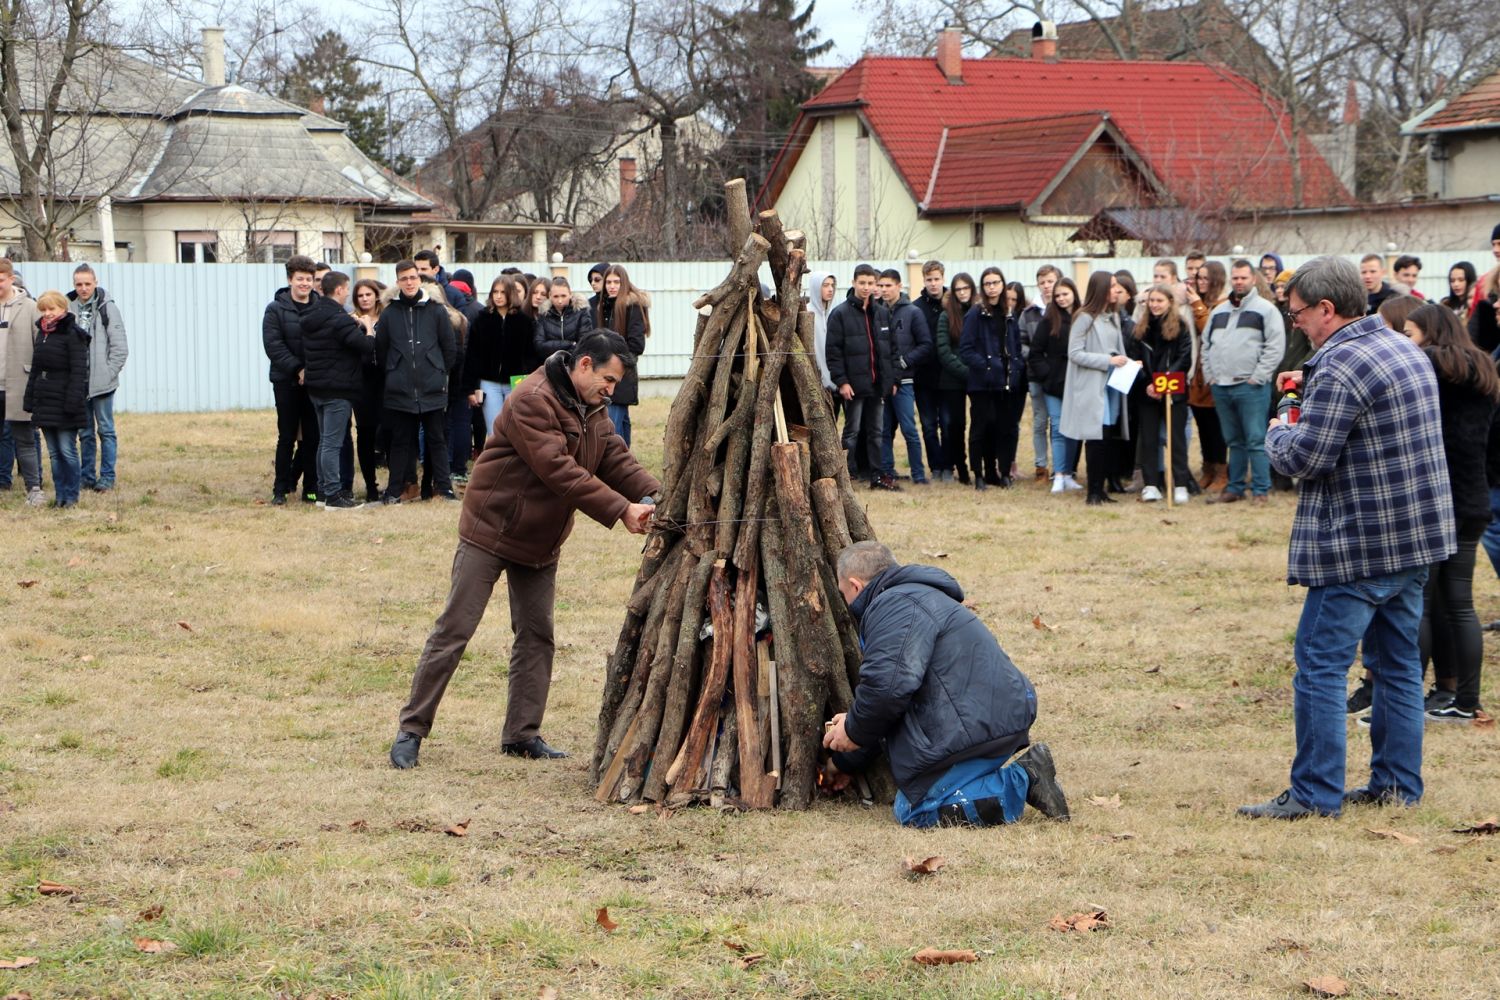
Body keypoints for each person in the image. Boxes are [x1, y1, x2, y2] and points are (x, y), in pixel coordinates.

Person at [1239, 256, 1454, 820]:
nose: (1295, 324)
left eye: (1298, 314)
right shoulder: (1404, 348)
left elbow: (1305, 458)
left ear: (1327, 309)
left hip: (1359, 545)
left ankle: (1314, 794)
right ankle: (1396, 785)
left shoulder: (1340, 366)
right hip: (1414, 539)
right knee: (1397, 666)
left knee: (1320, 666)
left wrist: (1280, 427)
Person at [389, 331, 661, 768]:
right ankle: (411, 730)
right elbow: (559, 470)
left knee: (537, 636)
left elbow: (614, 457)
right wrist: (620, 510)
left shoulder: (592, 405)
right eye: (608, 380)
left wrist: (657, 495)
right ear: (585, 364)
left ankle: (521, 734)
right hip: (492, 529)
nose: (611, 390)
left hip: (541, 538)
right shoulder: (533, 398)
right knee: (455, 630)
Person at [820, 541, 1069, 827]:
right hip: (988, 717)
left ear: (855, 585)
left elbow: (887, 691)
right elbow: (892, 700)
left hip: (976, 726)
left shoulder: (894, 606)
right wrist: (845, 758)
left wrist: (853, 730)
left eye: (843, 594)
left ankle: (1024, 779)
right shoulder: (915, 597)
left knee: (913, 810)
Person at [1405, 304, 1497, 724]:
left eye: (1410, 332)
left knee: (1420, 605)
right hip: (1474, 496)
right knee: (1461, 605)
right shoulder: (1483, 367)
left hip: (1435, 498)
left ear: (1429, 332)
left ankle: (1404, 700)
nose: (1406, 340)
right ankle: (1467, 700)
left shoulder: (1425, 365)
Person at [1202, 259, 1285, 505]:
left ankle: (1260, 490)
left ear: (1253, 279)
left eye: (1243, 278)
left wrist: (1258, 376)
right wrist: (1210, 375)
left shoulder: (1266, 310)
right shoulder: (1218, 312)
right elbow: (1206, 346)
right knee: (1233, 441)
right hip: (1221, 386)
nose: (1239, 282)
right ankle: (1235, 487)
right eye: (1235, 278)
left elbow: (1275, 346)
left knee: (1256, 440)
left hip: (1251, 387)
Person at [375, 260, 458, 505]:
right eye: (404, 279)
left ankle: (444, 490)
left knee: (437, 440)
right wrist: (395, 371)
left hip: (432, 387)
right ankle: (394, 491)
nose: (409, 282)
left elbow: (449, 348)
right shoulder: (389, 313)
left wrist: (437, 370)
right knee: (401, 441)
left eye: (413, 277)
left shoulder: (436, 310)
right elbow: (381, 350)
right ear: (398, 282)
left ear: (419, 280)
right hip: (400, 389)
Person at [300, 270, 373, 510]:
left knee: (324, 441)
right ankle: (333, 495)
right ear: (340, 290)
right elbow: (365, 346)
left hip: (316, 388)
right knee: (332, 443)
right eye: (347, 289)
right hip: (338, 389)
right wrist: (368, 328)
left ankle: (322, 492)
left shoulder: (311, 315)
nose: (347, 294)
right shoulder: (340, 319)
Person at [1061, 272, 1131, 506]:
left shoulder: (1112, 317)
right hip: (1092, 385)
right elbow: (1074, 353)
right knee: (1095, 437)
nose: (1116, 290)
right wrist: (1107, 361)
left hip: (1111, 385)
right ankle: (1093, 492)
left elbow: (1116, 349)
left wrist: (1127, 363)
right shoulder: (1084, 318)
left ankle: (1101, 489)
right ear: (1101, 289)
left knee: (1107, 436)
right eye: (1112, 286)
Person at [825, 264, 896, 491]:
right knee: (852, 432)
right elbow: (833, 353)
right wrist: (842, 381)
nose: (866, 287)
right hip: (853, 386)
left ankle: (876, 475)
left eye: (870, 283)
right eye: (862, 283)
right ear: (854, 283)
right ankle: (846, 475)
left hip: (877, 385)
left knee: (876, 432)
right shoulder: (840, 314)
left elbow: (891, 350)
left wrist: (892, 380)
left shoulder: (882, 313)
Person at [959, 267, 1025, 490]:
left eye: (996, 282)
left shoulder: (1009, 313)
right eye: (987, 283)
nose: (992, 287)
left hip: (1006, 383)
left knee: (1005, 429)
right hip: (982, 384)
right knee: (980, 429)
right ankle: (979, 474)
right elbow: (966, 349)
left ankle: (1003, 473)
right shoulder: (975, 313)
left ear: (1002, 284)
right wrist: (987, 368)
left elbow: (1016, 347)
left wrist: (1015, 367)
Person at [262, 254, 321, 505]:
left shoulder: (321, 307)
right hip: (285, 381)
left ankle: (311, 489)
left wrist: (312, 370)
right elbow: (273, 345)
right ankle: (280, 489)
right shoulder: (275, 309)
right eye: (300, 279)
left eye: (309, 279)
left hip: (315, 382)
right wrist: (298, 369)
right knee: (286, 437)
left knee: (312, 437)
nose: (305, 283)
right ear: (290, 280)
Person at [65, 265, 128, 493]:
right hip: (78, 382)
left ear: (95, 283)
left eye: (87, 284)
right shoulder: (68, 308)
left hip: (102, 384)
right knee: (85, 433)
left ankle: (107, 477)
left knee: (106, 430)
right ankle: (87, 477)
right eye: (79, 284)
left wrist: (107, 374)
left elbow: (120, 348)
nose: (83, 288)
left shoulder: (107, 308)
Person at [1127, 285, 1192, 503]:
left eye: (1159, 301)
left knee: (1176, 438)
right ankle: (1151, 484)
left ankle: (1180, 484)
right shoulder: (1140, 328)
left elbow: (1184, 358)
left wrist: (1162, 383)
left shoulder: (1181, 326)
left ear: (1169, 302)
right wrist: (1148, 383)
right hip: (1147, 392)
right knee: (1149, 439)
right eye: (1151, 301)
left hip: (1174, 390)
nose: (1154, 305)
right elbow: (1135, 358)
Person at [24, 291, 89, 508]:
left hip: (65, 402)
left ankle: (71, 496)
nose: (47, 313)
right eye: (43, 309)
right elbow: (35, 369)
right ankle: (60, 497)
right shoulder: (42, 333)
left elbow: (79, 372)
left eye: (51, 308)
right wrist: (29, 399)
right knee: (53, 453)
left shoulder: (73, 334)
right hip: (45, 401)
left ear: (63, 308)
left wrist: (72, 402)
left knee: (67, 450)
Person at [876, 268, 932, 485]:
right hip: (882, 382)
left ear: (899, 286)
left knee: (909, 429)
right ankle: (887, 472)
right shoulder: (876, 311)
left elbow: (926, 345)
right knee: (884, 430)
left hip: (905, 381)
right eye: (881, 286)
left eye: (888, 286)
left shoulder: (913, 312)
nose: (884, 290)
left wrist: (904, 361)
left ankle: (918, 474)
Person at [1029, 278, 1082, 495]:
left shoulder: (1083, 318)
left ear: (1074, 293)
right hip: (1053, 384)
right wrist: (1047, 373)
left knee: (1074, 430)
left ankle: (1069, 473)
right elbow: (1035, 352)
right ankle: (1059, 475)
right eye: (1057, 295)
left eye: (1065, 294)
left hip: (1077, 382)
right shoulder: (1049, 320)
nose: (1061, 299)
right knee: (1058, 428)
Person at [0, 259, 44, 506]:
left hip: (19, 384)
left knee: (25, 439)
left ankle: (34, 489)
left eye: (0, 280)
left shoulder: (29, 307)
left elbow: (41, 346)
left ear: (11, 279)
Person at [595, 264, 650, 447]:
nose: (612, 286)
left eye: (616, 282)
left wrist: (612, 360)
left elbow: (636, 345)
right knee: (620, 428)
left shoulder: (632, 306)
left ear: (624, 283)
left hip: (621, 375)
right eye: (608, 282)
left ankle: (618, 463)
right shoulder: (606, 306)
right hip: (610, 375)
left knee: (614, 431)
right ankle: (624, 462)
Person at [465, 276, 526, 438]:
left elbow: (529, 355)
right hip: (489, 383)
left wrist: (524, 380)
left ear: (511, 294)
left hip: (516, 382)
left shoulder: (523, 320)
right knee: (494, 431)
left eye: (503, 292)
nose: (498, 296)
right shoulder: (482, 318)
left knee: (515, 430)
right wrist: (470, 388)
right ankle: (496, 456)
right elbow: (472, 355)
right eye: (495, 292)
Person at [1187, 261, 1229, 492]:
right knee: (1202, 427)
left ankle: (1222, 472)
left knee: (1216, 429)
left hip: (1215, 374)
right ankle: (1208, 469)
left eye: (1205, 278)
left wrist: (1197, 305)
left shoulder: (1223, 304)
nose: (1201, 282)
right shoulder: (1200, 302)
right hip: (1197, 376)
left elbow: (1209, 331)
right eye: (1199, 278)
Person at [1019, 265, 1061, 482]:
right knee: (1040, 421)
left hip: (1059, 375)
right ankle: (1040, 466)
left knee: (1058, 422)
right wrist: (1037, 358)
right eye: (1042, 282)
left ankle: (1060, 468)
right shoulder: (1029, 313)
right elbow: (1020, 343)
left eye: (1050, 281)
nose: (1046, 286)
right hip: (1036, 374)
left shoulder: (1065, 310)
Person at [932, 273, 974, 485]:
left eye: (966, 288)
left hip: (978, 378)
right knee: (955, 426)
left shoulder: (978, 313)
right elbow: (944, 351)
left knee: (980, 424)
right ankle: (961, 468)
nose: (963, 292)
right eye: (958, 289)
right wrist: (966, 372)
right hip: (952, 380)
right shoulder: (946, 316)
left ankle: (980, 467)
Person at [350, 278, 387, 502]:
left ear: (376, 296)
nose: (364, 299)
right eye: (360, 296)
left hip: (386, 381)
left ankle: (396, 483)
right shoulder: (351, 321)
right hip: (362, 382)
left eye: (368, 294)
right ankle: (371, 487)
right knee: (365, 433)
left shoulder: (387, 318)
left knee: (389, 431)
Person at [913, 261, 948, 482]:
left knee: (948, 423)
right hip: (923, 378)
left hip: (948, 377)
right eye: (929, 280)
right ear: (924, 280)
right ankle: (936, 466)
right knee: (928, 425)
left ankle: (948, 465)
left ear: (943, 279)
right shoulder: (916, 308)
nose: (933, 284)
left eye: (937, 279)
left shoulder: (952, 303)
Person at [533, 277, 593, 360]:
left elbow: (584, 343)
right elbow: (539, 345)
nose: (560, 301)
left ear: (570, 294)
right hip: (550, 363)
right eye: (556, 296)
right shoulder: (544, 314)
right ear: (550, 296)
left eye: (563, 296)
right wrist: (570, 344)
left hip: (576, 362)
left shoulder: (581, 312)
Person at [806, 271, 839, 414]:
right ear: (815, 287)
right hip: (817, 383)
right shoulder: (807, 313)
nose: (830, 289)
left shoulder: (832, 314)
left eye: (832, 285)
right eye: (825, 285)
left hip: (836, 382)